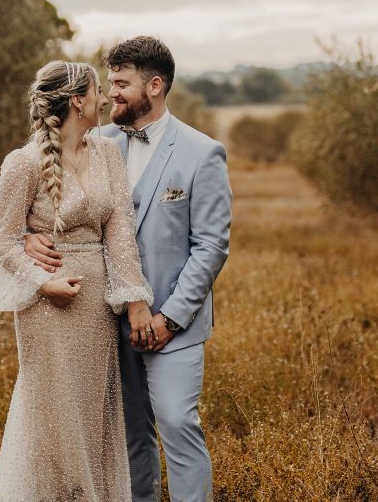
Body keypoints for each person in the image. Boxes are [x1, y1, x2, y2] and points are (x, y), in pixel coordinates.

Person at [26, 37, 232, 502]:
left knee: (178, 423)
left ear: (154, 86)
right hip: (104, 319)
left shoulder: (203, 154)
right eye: (109, 83)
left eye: (121, 84)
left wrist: (169, 318)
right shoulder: (97, 144)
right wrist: (26, 236)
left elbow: (211, 247)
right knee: (128, 435)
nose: (111, 94)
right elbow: (38, 193)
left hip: (174, 323)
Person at [0, 60, 156, 502]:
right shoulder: (23, 163)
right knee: (52, 413)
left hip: (96, 308)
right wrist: (43, 282)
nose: (104, 99)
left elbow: (120, 233)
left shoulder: (108, 154)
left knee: (91, 412)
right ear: (77, 100)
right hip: (48, 311)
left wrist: (134, 296)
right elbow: (2, 242)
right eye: (97, 91)